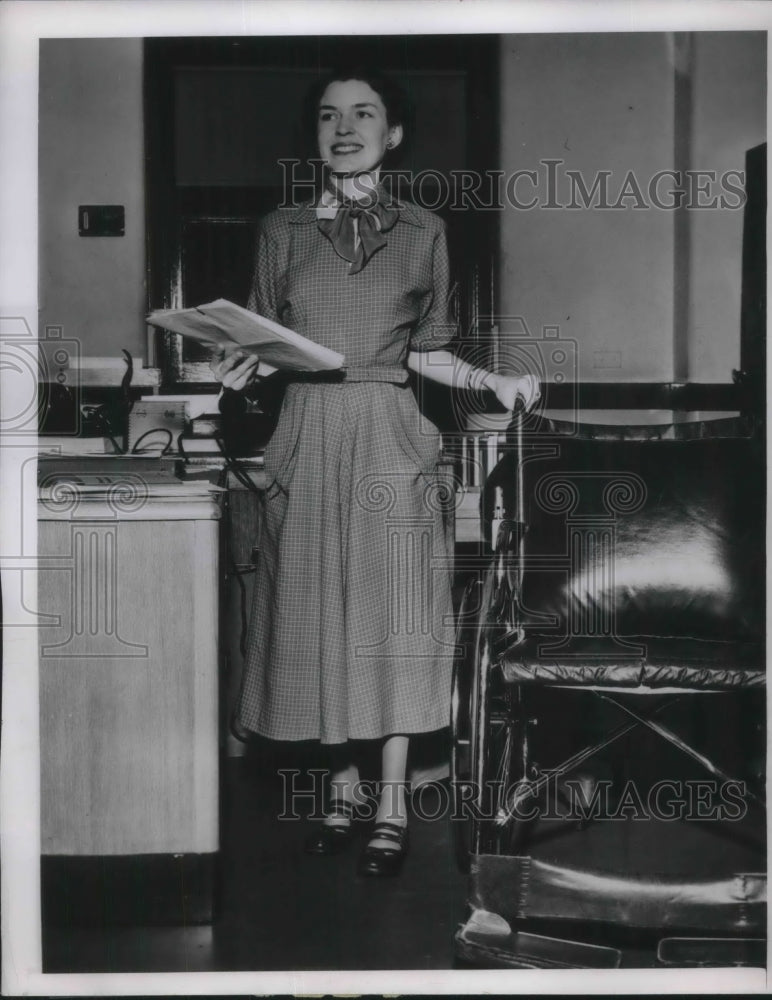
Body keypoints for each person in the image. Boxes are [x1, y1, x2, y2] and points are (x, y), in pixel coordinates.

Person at [211, 68, 540, 877]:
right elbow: (261, 343)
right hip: (308, 433)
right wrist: (242, 367)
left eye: (364, 114)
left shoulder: (424, 229)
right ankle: (340, 791)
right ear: (315, 135)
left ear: (393, 135)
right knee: (319, 613)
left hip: (392, 431)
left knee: (394, 617)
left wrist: (490, 382)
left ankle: (391, 803)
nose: (344, 127)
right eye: (328, 115)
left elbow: (426, 350)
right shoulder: (281, 228)